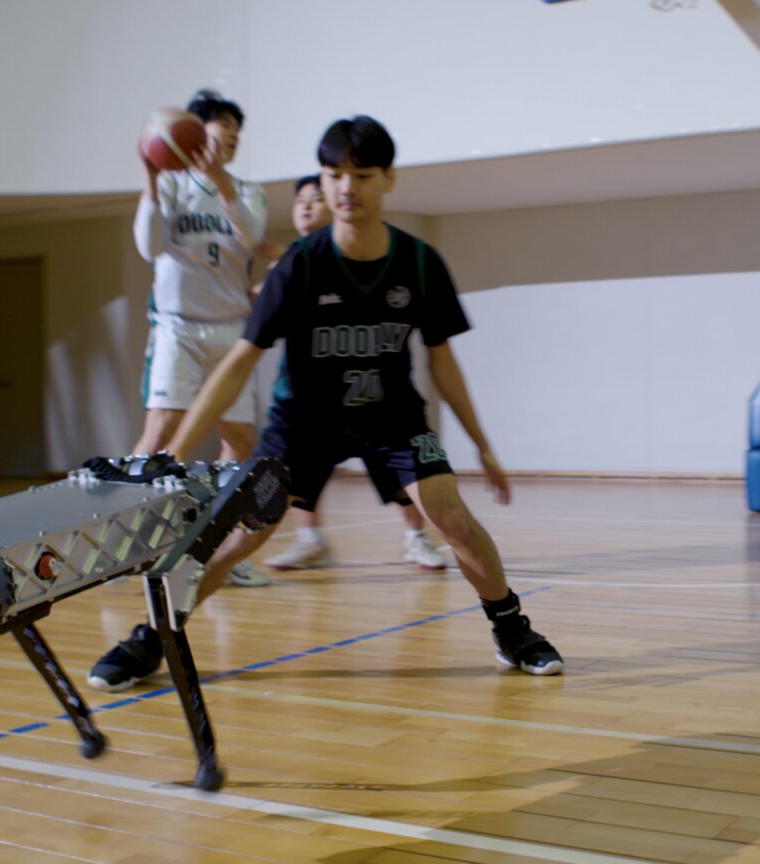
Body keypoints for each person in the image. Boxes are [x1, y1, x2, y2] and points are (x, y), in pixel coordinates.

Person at [90, 116, 562, 693]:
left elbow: (442, 360)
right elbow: (239, 361)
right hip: (303, 422)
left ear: (387, 179)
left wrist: (483, 444)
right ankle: (153, 635)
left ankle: (511, 627)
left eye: (361, 175)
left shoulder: (418, 263)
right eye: (334, 173)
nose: (345, 187)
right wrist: (175, 449)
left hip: (393, 418)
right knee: (240, 534)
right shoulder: (299, 265)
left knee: (452, 518)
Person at [262, 175, 450, 572]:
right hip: (312, 399)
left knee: (402, 478)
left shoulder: (354, 258)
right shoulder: (294, 263)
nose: (307, 207)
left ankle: (416, 537)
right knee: (298, 484)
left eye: (316, 199)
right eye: (300, 202)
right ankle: (310, 539)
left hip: (375, 401)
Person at [130, 88, 271, 589]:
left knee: (243, 445)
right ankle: (128, 544)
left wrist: (219, 183)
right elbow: (149, 247)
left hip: (232, 330)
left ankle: (211, 547)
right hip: (178, 327)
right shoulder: (169, 188)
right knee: (159, 435)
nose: (230, 135)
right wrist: (150, 181)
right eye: (221, 125)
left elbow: (251, 235)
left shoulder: (247, 191)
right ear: (193, 132)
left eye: (237, 128)